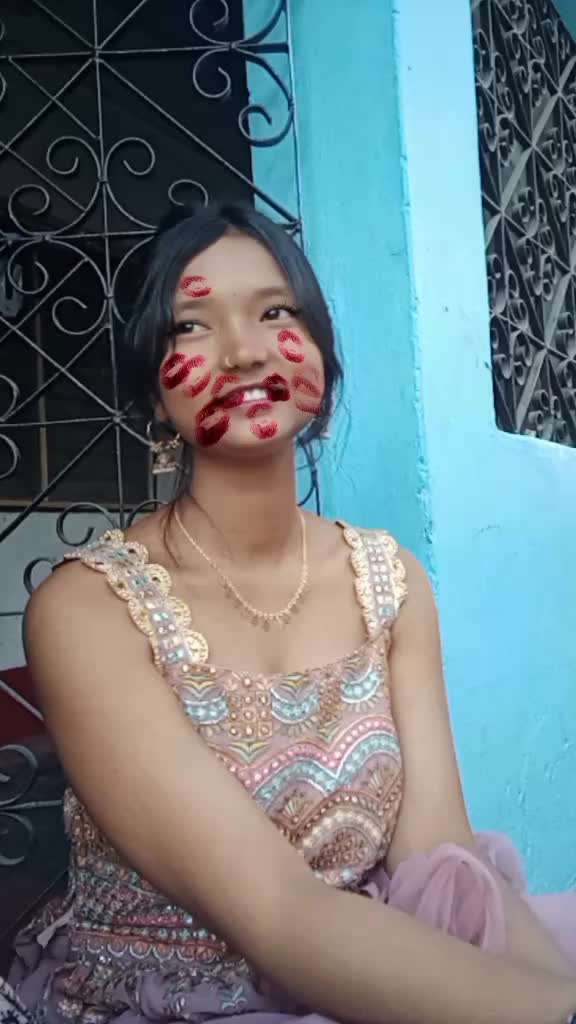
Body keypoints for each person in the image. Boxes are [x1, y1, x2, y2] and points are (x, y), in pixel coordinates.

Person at [3, 203, 576, 1024]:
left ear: (321, 355)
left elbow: (440, 863)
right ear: (154, 391)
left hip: (376, 968)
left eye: (275, 312)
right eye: (192, 326)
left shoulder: (391, 582)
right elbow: (278, 911)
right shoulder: (89, 612)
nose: (243, 350)